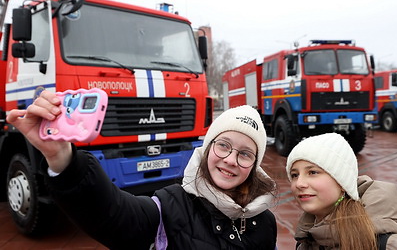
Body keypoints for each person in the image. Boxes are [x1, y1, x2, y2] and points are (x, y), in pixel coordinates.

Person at [7, 90, 278, 250]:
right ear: (207, 149)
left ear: (254, 166)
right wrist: (62, 158)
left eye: (245, 154)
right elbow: (112, 213)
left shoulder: (265, 222)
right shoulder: (169, 208)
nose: (231, 160)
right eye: (223, 146)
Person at [286, 132, 397, 250]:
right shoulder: (305, 241)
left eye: (313, 172)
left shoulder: (385, 244)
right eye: (295, 175)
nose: (299, 183)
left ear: (342, 182)